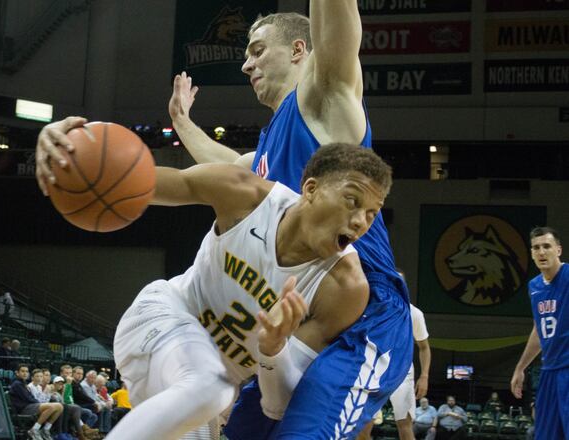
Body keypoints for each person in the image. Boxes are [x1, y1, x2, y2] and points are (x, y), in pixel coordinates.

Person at [38, 5, 411, 439]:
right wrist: (76, 152)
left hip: (368, 313)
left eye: (257, 50)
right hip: (298, 308)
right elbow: (224, 171)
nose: (246, 63)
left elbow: (339, 37)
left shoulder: (324, 101)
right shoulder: (267, 156)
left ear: (299, 51)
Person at [45, 140, 393, 438]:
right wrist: (68, 155)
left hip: (200, 382)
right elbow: (138, 183)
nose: (361, 221)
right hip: (162, 318)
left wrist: (273, 350)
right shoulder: (246, 196)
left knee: (211, 388)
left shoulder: (345, 288)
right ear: (311, 189)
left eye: (372, 213)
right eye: (352, 201)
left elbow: (276, 405)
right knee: (211, 388)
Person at [510, 226, 568, 439]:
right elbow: (539, 329)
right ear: (532, 253)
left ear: (558, 250)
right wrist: (520, 367)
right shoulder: (534, 286)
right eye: (536, 248)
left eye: (547, 246)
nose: (542, 252)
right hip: (549, 370)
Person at [359, 302, 431, 440]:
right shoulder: (372, 306)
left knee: (405, 426)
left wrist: (424, 376)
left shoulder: (414, 313)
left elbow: (424, 347)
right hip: (373, 373)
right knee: (362, 430)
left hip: (402, 373)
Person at [9, 364, 63, 440]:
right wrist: (41, 403)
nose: (25, 373)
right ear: (17, 373)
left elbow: (30, 398)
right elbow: (29, 398)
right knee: (51, 407)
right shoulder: (17, 384)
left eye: (27, 371)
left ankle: (45, 429)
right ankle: (34, 430)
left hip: (30, 406)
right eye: (22, 371)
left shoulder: (23, 383)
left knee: (60, 407)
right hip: (24, 409)